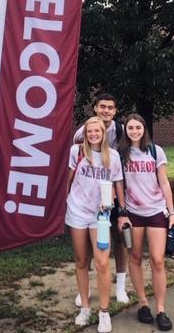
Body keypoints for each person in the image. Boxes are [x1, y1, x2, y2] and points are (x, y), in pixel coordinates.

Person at [120, 113, 174, 332]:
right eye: (130, 128)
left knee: (157, 260)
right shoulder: (121, 153)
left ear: (144, 129)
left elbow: (164, 182)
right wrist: (121, 212)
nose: (134, 131)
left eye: (138, 127)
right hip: (133, 212)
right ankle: (143, 303)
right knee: (134, 256)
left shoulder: (155, 150)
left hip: (155, 211)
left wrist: (172, 213)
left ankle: (161, 309)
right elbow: (118, 184)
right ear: (125, 130)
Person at [66, 117, 126, 333]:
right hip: (77, 212)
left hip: (100, 216)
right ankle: (85, 307)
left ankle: (104, 311)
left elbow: (116, 184)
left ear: (103, 133)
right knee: (82, 261)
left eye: (96, 131)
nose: (93, 134)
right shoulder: (76, 153)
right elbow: (68, 180)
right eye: (89, 131)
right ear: (85, 133)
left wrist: (117, 208)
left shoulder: (114, 156)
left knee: (102, 263)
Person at [72, 93, 129, 305]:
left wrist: (121, 203)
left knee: (118, 237)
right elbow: (76, 159)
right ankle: (83, 289)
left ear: (115, 111)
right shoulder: (83, 132)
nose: (106, 110)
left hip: (111, 191)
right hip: (88, 196)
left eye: (110, 108)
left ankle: (121, 286)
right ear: (95, 108)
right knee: (87, 243)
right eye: (102, 107)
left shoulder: (121, 131)